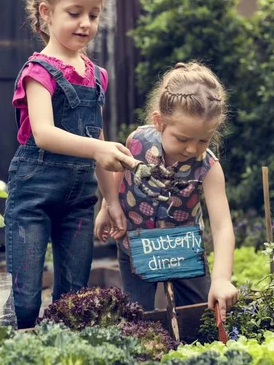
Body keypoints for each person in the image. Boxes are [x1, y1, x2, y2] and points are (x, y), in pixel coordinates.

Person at [6, 0, 134, 329]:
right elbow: (44, 133)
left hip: (80, 200)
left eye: (93, 15)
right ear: (46, 13)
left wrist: (110, 202)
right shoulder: (39, 71)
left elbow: (98, 139)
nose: (86, 24)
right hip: (34, 192)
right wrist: (97, 149)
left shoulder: (97, 76)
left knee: (73, 298)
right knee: (26, 297)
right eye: (74, 13)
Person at [95, 61, 239, 320]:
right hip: (135, 247)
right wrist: (107, 207)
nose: (193, 149)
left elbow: (222, 226)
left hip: (183, 251)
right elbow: (121, 175)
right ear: (159, 122)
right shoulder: (137, 141)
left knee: (197, 316)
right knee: (138, 317)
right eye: (182, 139)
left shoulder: (208, 167)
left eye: (203, 140)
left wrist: (221, 279)